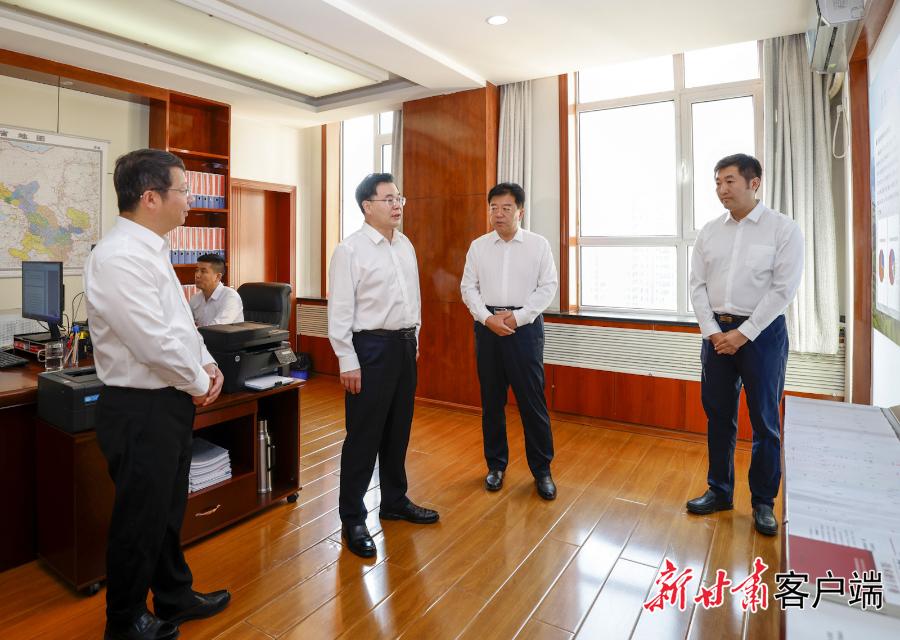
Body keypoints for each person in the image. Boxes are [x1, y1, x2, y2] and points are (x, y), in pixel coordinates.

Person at [84, 149, 231, 640]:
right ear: (151, 198)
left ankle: (173, 595)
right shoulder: (117, 257)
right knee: (139, 519)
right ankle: (124, 621)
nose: (190, 200)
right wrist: (199, 383)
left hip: (168, 400)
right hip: (140, 407)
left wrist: (207, 363)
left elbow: (180, 325)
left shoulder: (153, 249)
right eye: (183, 190)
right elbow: (152, 342)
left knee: (166, 511)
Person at [686, 153, 803, 537]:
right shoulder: (709, 232)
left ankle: (763, 502)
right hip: (717, 335)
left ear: (754, 183)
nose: (722, 189)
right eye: (717, 183)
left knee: (765, 421)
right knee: (719, 416)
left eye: (729, 181)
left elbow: (782, 290)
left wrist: (744, 333)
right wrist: (712, 331)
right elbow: (697, 285)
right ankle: (719, 491)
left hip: (762, 335)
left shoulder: (783, 229)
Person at [327, 172, 438, 559]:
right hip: (369, 348)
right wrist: (347, 359)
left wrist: (414, 339)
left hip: (404, 346)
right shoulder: (350, 250)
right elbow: (340, 311)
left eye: (399, 198)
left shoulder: (404, 245)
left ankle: (394, 500)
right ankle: (352, 517)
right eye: (388, 199)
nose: (396, 205)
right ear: (366, 206)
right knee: (364, 435)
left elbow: (414, 299)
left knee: (397, 430)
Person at [460, 182, 559, 500]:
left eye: (506, 208)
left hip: (524, 328)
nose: (499, 214)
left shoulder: (538, 245)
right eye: (494, 208)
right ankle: (496, 466)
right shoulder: (478, 246)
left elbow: (548, 287)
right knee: (491, 402)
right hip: (487, 327)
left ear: (520, 212)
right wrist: (486, 318)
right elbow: (468, 287)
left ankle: (542, 471)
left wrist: (518, 317)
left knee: (532, 402)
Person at [190, 253, 244, 326]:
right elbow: (184, 323)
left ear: (218, 277)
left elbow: (216, 328)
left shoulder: (231, 297)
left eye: (203, 271)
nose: (197, 275)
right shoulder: (195, 298)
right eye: (197, 270)